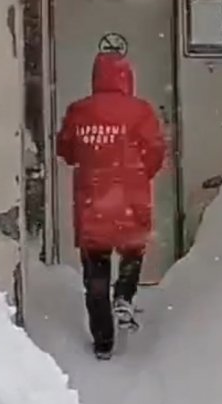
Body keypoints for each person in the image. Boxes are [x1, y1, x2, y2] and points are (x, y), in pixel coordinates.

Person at [56, 51, 166, 359]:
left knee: (95, 270)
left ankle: (103, 342)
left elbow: (66, 150)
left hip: (92, 200)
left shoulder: (79, 111)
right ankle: (124, 295)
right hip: (131, 197)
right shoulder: (141, 111)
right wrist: (138, 174)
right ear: (127, 78)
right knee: (133, 248)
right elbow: (156, 151)